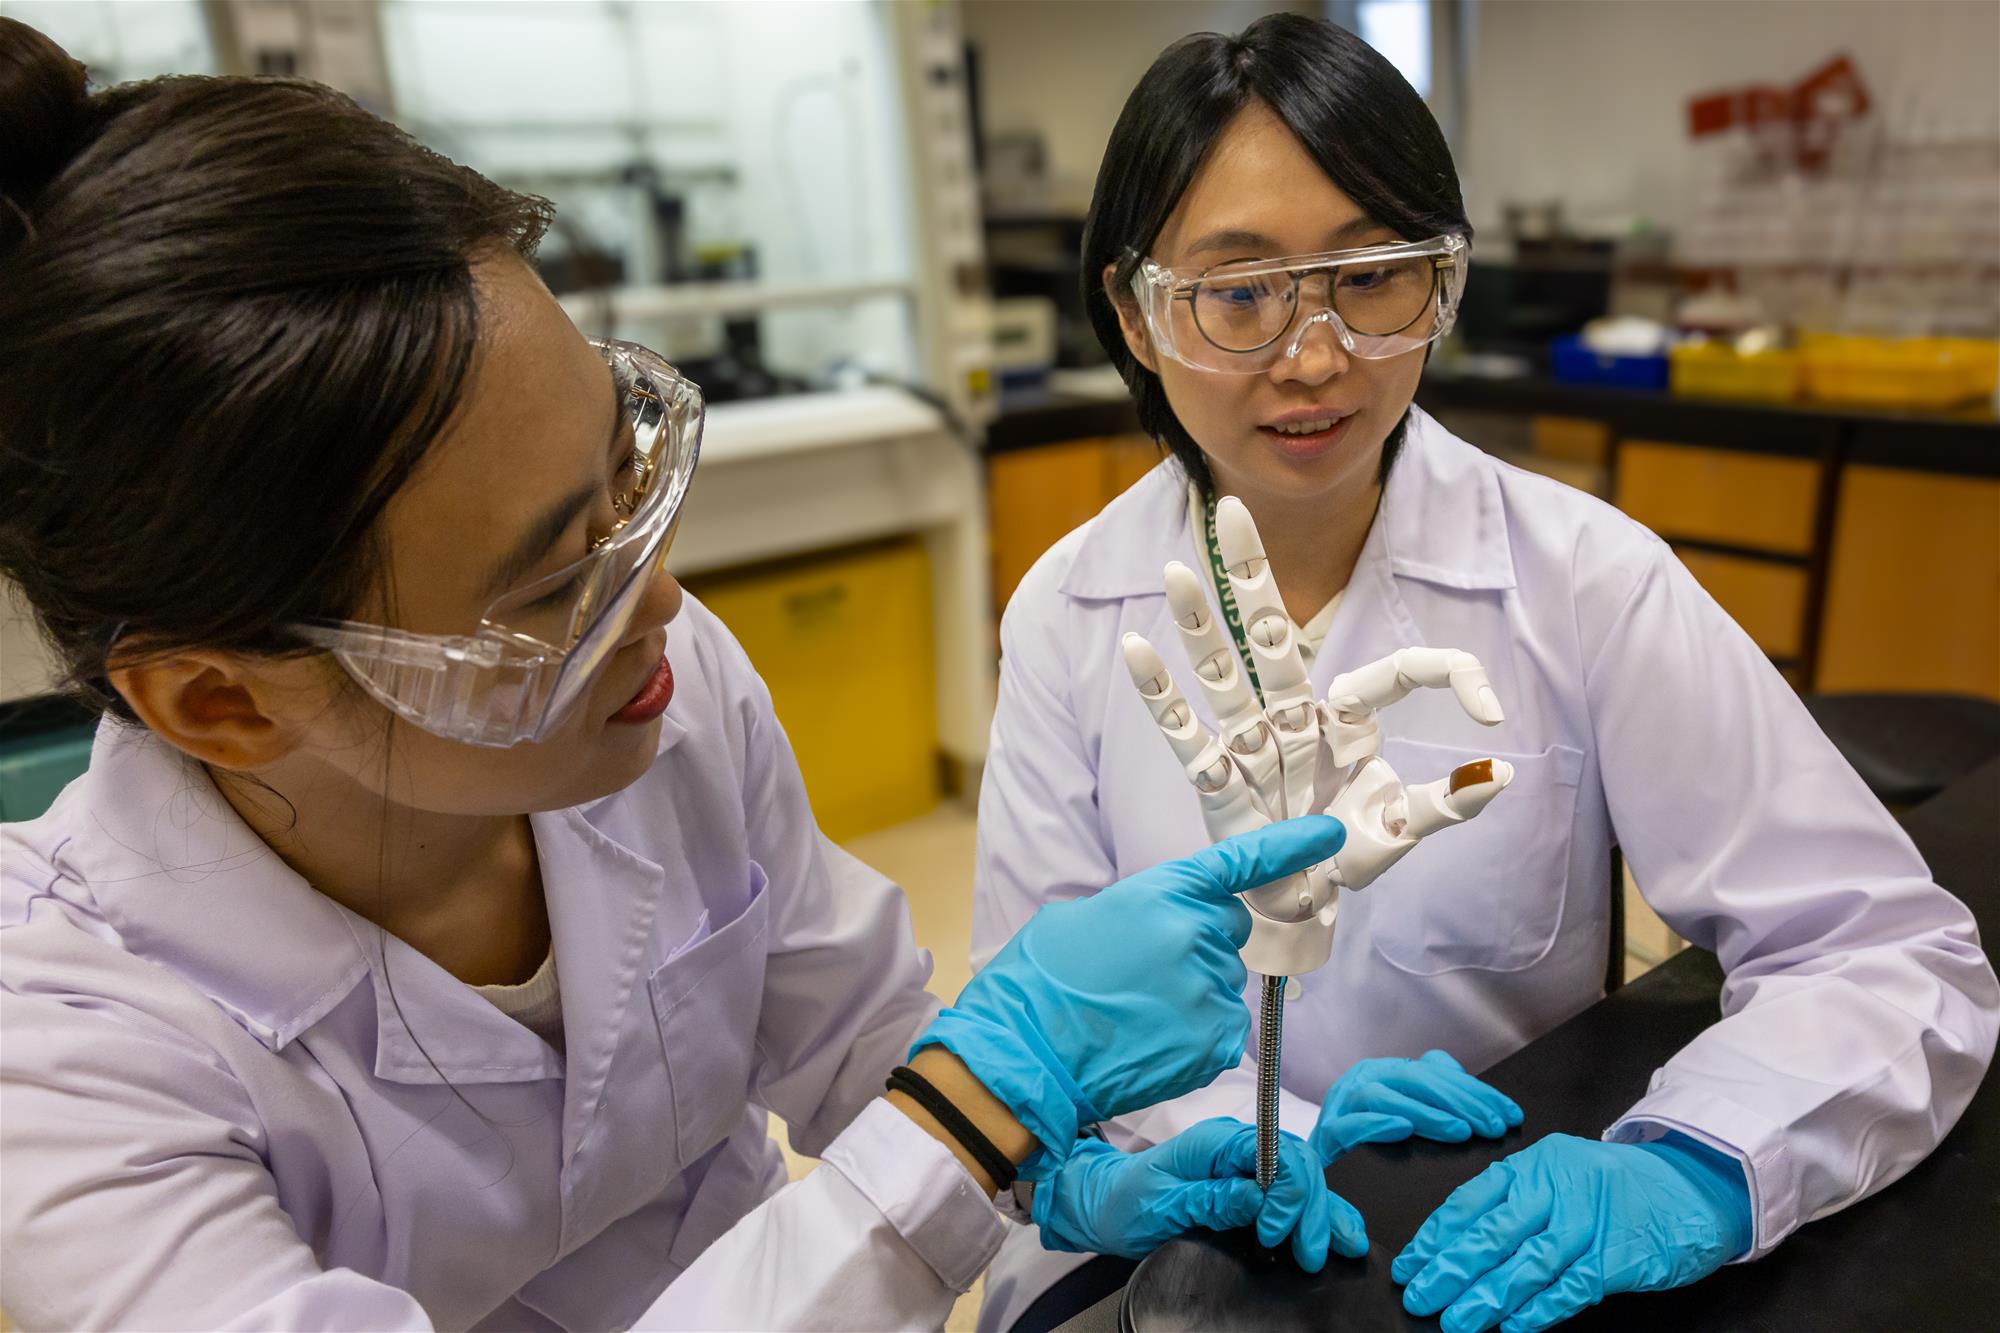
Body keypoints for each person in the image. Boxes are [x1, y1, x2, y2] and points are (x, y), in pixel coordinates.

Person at [0, 22, 1355, 1330]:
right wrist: (975, 1109)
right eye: (550, 587)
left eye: (622, 476)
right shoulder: (65, 1049)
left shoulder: (657, 688)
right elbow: (940, 1115)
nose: (658, 601)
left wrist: (1062, 1171)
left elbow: (846, 1028)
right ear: (220, 700)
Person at [973, 14, 1998, 1333]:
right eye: (1239, 292)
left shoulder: (1584, 579)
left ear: (1442, 280)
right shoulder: (1069, 610)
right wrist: (1229, 1140)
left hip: (1482, 1249)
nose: (1314, 355)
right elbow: (1027, 1034)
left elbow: (1885, 954)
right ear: (1135, 311)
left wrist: (1691, 1168)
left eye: (1372, 276)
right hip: (1155, 1258)